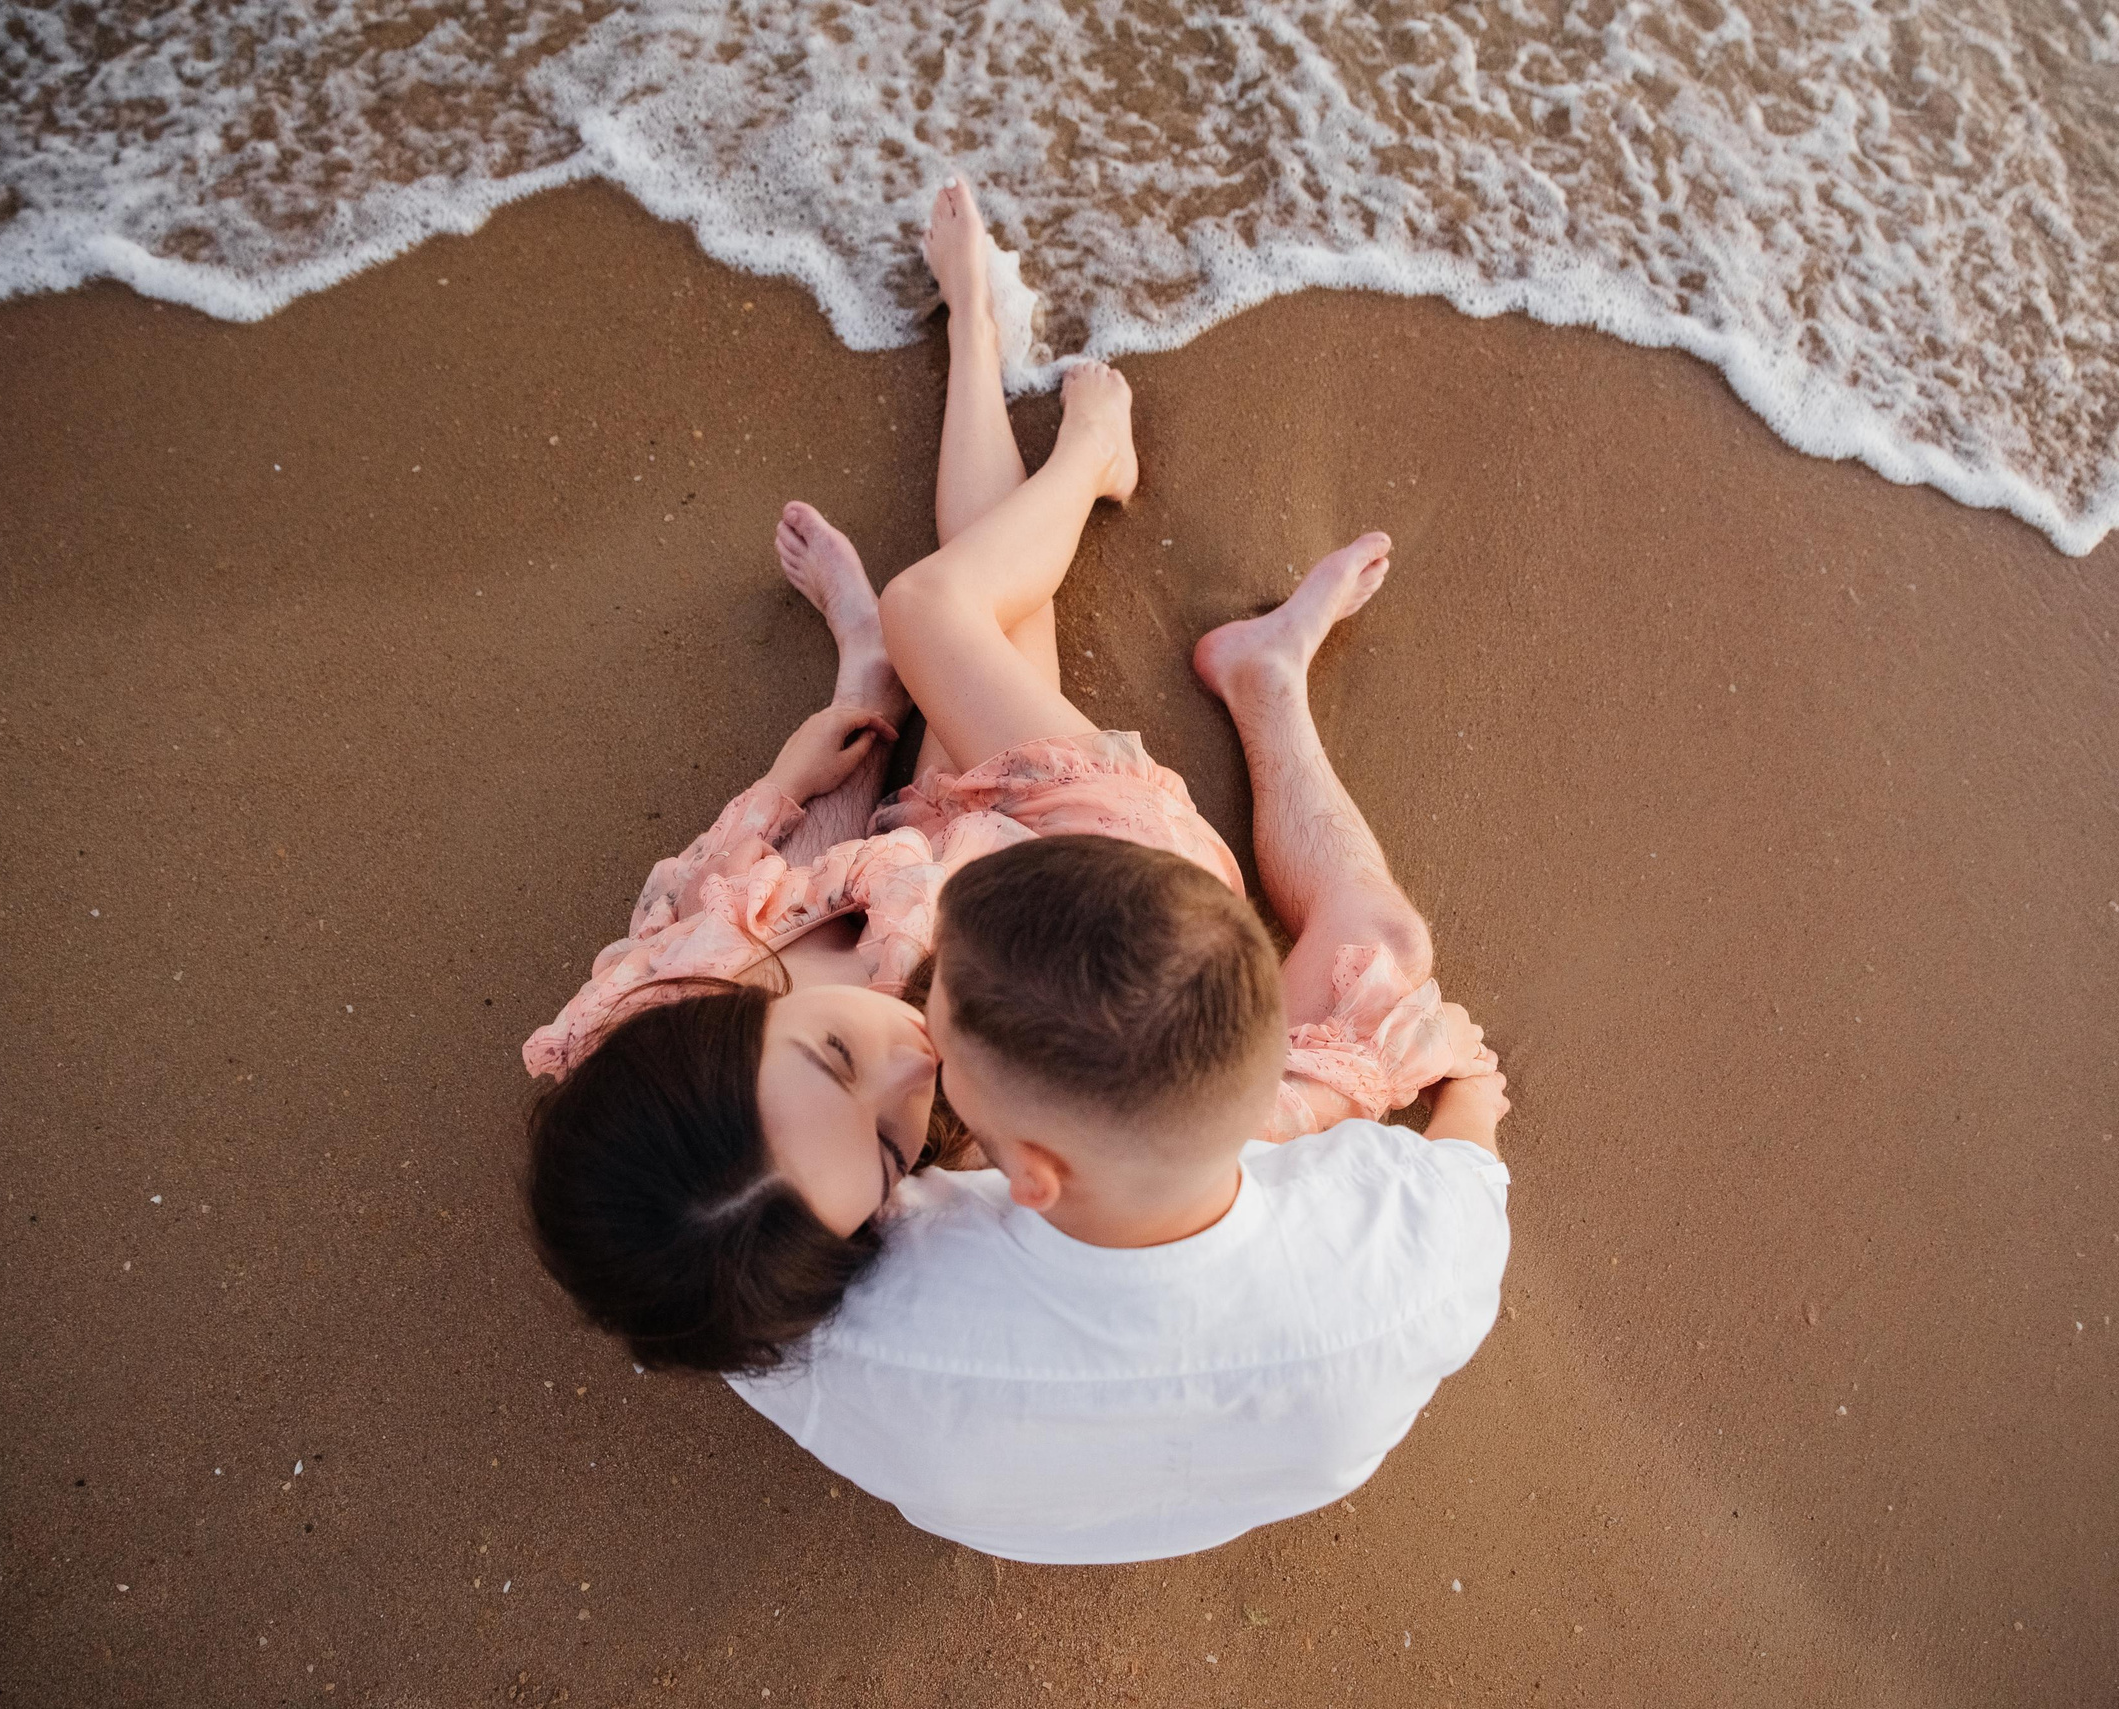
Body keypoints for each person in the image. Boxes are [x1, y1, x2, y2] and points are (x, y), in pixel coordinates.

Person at [522, 181, 1509, 1558]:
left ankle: (990, 346)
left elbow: (755, 865)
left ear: (701, 1011)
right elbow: (1229, 1142)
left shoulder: (685, 1020)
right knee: (1368, 950)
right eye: (888, 1141)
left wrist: (819, 753)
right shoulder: (822, 1247)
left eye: (824, 1053)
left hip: (950, 856)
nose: (911, 1061)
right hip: (1080, 890)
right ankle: (1252, 666)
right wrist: (1435, 1074)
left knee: (949, 635)